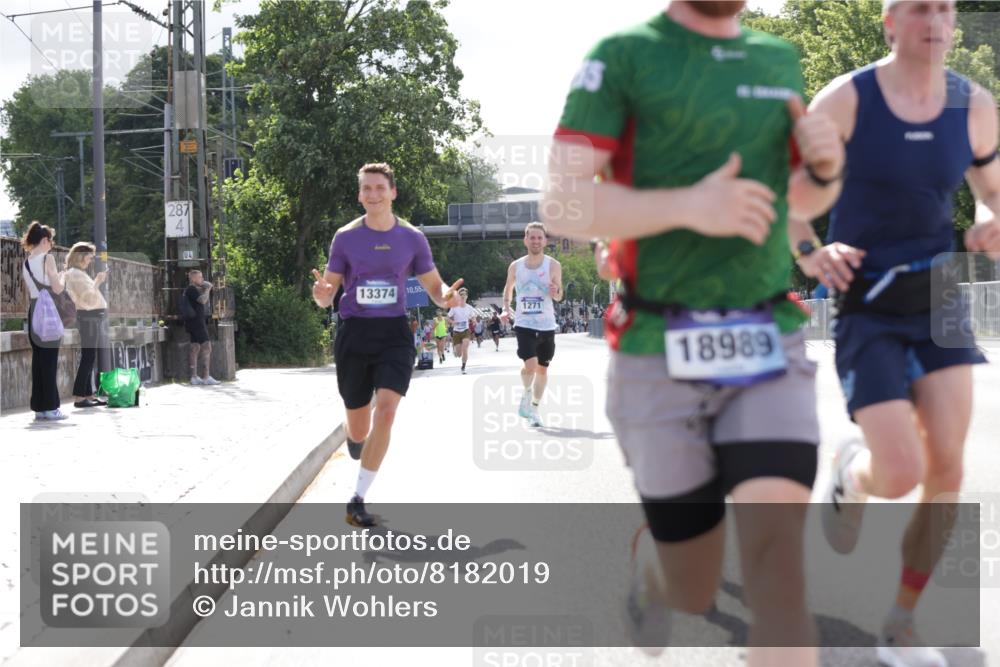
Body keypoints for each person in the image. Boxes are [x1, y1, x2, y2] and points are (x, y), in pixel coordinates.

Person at [544, 2, 845, 665]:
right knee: (693, 586)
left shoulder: (777, 58)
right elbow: (560, 201)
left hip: (766, 336)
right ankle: (656, 567)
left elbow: (797, 200)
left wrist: (825, 172)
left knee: (778, 568)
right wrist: (689, 206)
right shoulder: (621, 56)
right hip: (657, 344)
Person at [804, 2, 1000, 665]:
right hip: (870, 299)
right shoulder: (845, 100)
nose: (935, 19)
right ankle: (853, 472)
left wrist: (989, 218)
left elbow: (993, 189)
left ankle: (902, 620)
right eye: (920, 8)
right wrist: (811, 252)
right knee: (900, 473)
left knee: (947, 466)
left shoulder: (974, 105)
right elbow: (786, 194)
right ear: (891, 22)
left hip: (940, 295)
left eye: (945, 8)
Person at [312, 162, 462, 528]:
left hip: (394, 333)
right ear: (359, 195)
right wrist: (321, 294)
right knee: (359, 428)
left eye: (380, 187)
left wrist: (447, 297)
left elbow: (434, 286)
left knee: (388, 411)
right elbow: (327, 291)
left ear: (393, 192)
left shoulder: (412, 238)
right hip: (355, 333)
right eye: (367, 188)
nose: (374, 194)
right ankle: (353, 434)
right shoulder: (345, 237)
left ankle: (357, 500)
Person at [502, 222, 563, 427]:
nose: (536, 241)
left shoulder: (553, 265)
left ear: (545, 241)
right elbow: (508, 289)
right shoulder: (515, 266)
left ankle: (535, 408)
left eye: (539, 238)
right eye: (532, 237)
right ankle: (527, 394)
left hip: (547, 325)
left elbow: (560, 295)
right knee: (530, 366)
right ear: (525, 240)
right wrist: (505, 308)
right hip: (524, 324)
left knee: (542, 370)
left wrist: (556, 292)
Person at [21, 222, 68, 421]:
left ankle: (39, 408)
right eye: (51, 240)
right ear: (44, 240)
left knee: (39, 361)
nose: (52, 244)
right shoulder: (48, 258)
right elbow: (57, 288)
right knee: (50, 361)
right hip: (48, 312)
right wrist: (63, 277)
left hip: (33, 311)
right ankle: (51, 407)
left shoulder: (26, 262)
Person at [63, 242, 109, 408]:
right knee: (88, 356)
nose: (90, 262)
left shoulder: (77, 273)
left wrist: (96, 282)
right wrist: (98, 281)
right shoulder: (75, 274)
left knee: (89, 356)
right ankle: (79, 397)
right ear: (81, 257)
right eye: (89, 258)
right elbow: (87, 297)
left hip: (89, 316)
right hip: (87, 316)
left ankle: (87, 394)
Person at [183, 270, 219, 386]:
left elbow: (201, 300)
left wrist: (204, 289)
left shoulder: (191, 290)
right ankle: (206, 376)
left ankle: (194, 377)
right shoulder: (191, 289)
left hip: (193, 322)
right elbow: (203, 300)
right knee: (207, 346)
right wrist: (208, 288)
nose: (202, 279)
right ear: (193, 279)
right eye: (200, 277)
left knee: (195, 347)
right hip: (197, 323)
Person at [447, 288, 476, 374]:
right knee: (458, 354)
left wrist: (474, 320)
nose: (463, 296)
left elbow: (473, 316)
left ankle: (463, 367)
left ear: (467, 296)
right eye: (461, 294)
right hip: (456, 332)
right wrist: (452, 322)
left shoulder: (469, 308)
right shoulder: (454, 307)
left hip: (465, 331)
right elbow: (447, 318)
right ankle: (454, 349)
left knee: (465, 349)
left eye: (464, 294)